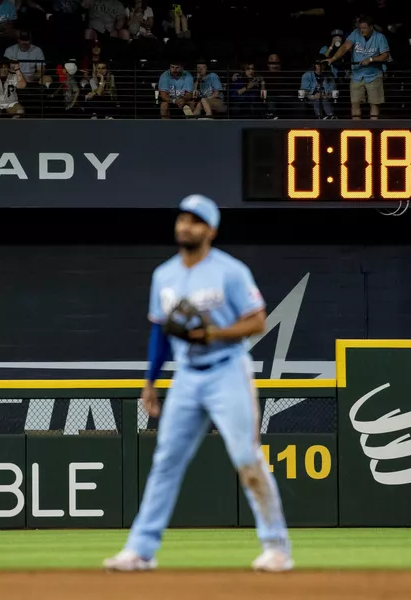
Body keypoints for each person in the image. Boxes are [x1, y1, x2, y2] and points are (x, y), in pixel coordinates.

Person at [103, 194, 293, 573]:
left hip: (228, 369)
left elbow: (257, 321)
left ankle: (276, 547)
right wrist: (150, 381)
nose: (185, 226)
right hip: (187, 377)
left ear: (211, 230)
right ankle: (141, 549)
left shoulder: (230, 271)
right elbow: (159, 333)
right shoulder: (164, 275)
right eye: (183, 219)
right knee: (165, 462)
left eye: (195, 220)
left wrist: (215, 334)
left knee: (246, 458)